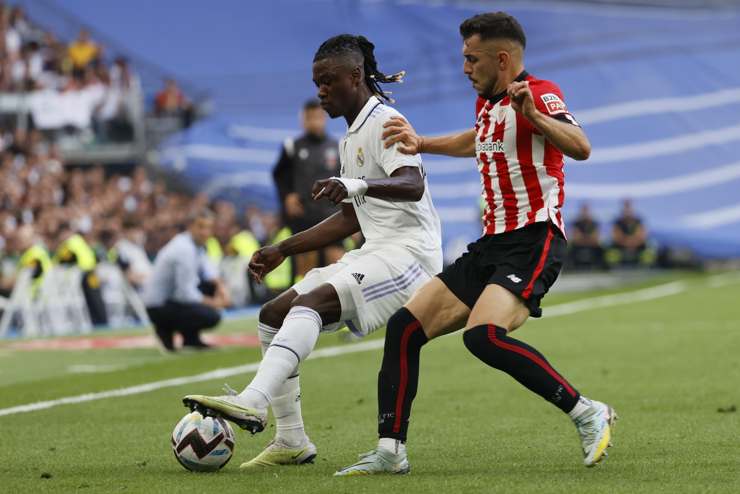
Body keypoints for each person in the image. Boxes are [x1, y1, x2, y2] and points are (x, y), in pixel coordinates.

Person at [335, 12, 616, 476]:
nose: (464, 67)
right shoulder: (486, 103)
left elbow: (581, 146)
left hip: (533, 240)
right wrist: (421, 143)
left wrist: (535, 116)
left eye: (472, 59)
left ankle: (587, 411)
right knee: (405, 328)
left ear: (502, 59)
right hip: (491, 245)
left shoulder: (540, 93)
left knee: (483, 337)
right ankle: (391, 450)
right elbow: (478, 140)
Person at [183, 34, 442, 470]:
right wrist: (283, 247)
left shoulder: (385, 121)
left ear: (355, 76)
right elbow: (351, 219)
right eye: (316, 82)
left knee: (312, 302)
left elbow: (411, 184)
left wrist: (355, 185)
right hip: (375, 250)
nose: (321, 91)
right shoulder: (349, 139)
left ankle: (252, 399)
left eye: (328, 81)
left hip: (410, 257)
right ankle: (290, 440)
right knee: (273, 314)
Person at [273, 99, 343, 280]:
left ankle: (335, 306)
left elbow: (348, 179)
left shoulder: (338, 147)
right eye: (309, 117)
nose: (314, 121)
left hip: (332, 215)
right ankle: (303, 304)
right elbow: (279, 176)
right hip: (304, 215)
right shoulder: (292, 147)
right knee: (305, 267)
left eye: (318, 117)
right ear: (303, 120)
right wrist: (287, 196)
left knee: (336, 264)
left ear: (324, 117)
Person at [142, 209, 230, 352]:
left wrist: (221, 287)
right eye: (201, 227)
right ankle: (165, 328)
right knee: (212, 316)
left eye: (208, 228)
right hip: (159, 306)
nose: (205, 232)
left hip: (166, 301)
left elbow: (209, 272)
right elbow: (185, 293)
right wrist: (215, 303)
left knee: (210, 286)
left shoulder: (193, 245)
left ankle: (190, 339)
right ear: (190, 226)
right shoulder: (184, 249)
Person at [608, 199, 651, 267]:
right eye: (626, 207)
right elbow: (616, 236)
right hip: (621, 243)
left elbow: (642, 235)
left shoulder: (638, 221)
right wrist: (627, 242)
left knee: (647, 246)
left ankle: (646, 266)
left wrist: (633, 242)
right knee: (611, 248)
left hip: (637, 243)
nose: (627, 210)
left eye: (629, 207)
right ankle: (613, 266)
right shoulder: (618, 221)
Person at [569, 203, 604, 270]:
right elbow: (576, 238)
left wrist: (583, 238)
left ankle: (600, 266)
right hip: (579, 245)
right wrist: (588, 238)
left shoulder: (594, 223)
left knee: (600, 248)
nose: (585, 213)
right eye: (584, 210)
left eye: (586, 210)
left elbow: (596, 237)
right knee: (570, 248)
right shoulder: (576, 223)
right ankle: (570, 266)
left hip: (591, 244)